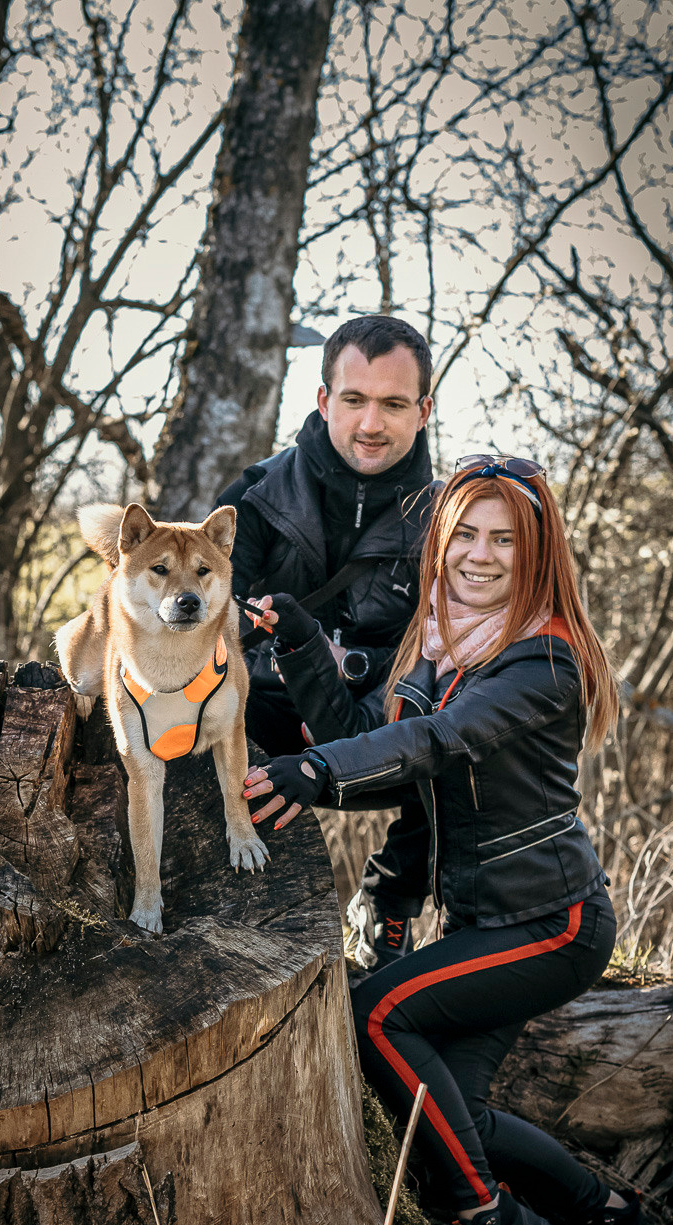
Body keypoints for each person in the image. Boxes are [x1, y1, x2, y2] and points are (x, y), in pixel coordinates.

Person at [242, 457, 653, 1225]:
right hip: (482, 921)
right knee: (446, 1110)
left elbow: (437, 743)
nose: (479, 553)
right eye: (463, 533)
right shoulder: (440, 641)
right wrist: (301, 643)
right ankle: (605, 1215)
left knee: (373, 1015)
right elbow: (376, 739)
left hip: (551, 923)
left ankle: (489, 1222)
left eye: (504, 539)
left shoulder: (541, 661)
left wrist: (312, 769)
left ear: (537, 550)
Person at [218, 314, 439, 970]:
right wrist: (289, 653)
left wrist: (354, 672)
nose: (371, 423)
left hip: (371, 729)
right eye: (354, 400)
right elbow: (203, 624)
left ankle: (390, 907)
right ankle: (234, 933)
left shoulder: (448, 521)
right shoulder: (256, 498)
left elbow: (447, 659)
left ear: (422, 411)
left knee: (472, 741)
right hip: (263, 724)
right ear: (323, 400)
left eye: (393, 404)